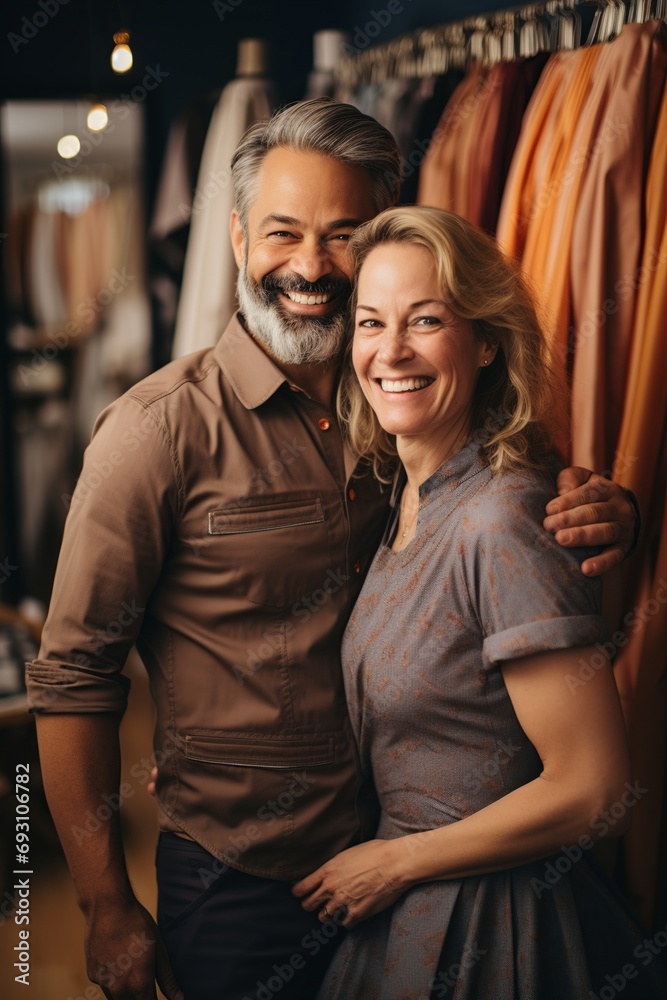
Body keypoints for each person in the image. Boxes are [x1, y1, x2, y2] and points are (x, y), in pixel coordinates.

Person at [25, 100, 638, 1000]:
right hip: (243, 888)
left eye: (342, 235)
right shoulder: (156, 434)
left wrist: (605, 506)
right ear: (236, 240)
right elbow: (75, 677)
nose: (310, 267)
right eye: (283, 233)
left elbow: (511, 520)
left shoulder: (405, 418)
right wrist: (106, 905)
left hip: (416, 876)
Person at [291, 206, 666, 1000]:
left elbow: (595, 789)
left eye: (424, 320)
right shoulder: (401, 499)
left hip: (498, 928)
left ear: (486, 341)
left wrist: (396, 861)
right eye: (370, 322)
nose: (389, 351)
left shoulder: (498, 520)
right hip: (407, 911)